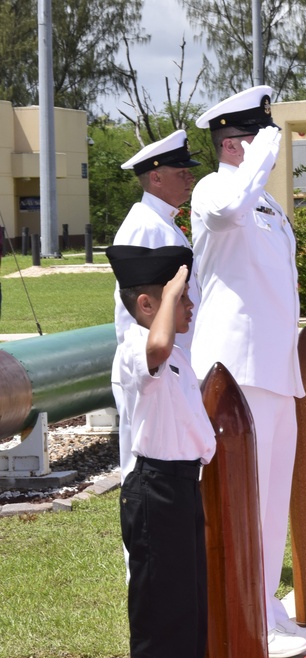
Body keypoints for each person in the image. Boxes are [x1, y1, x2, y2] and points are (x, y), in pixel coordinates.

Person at [190, 85, 306, 658]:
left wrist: (262, 168)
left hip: (273, 369)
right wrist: (261, 160)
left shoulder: (264, 203)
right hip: (235, 372)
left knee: (271, 498)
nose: (272, 149)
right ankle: (241, 613)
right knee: (241, 497)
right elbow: (226, 212)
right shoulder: (216, 189)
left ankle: (265, 605)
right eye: (260, 138)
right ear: (236, 144)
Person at [107, 245, 216, 658]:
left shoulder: (177, 356)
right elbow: (156, 347)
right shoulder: (137, 345)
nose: (188, 304)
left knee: (188, 620)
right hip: (155, 492)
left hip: (180, 490)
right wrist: (172, 294)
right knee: (162, 624)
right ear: (147, 304)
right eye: (178, 296)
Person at [111, 130, 201, 483]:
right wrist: (153, 365)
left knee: (171, 474)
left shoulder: (163, 222)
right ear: (156, 177)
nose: (190, 176)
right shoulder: (144, 227)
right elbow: (134, 308)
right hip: (151, 369)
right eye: (181, 171)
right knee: (145, 476)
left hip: (168, 364)